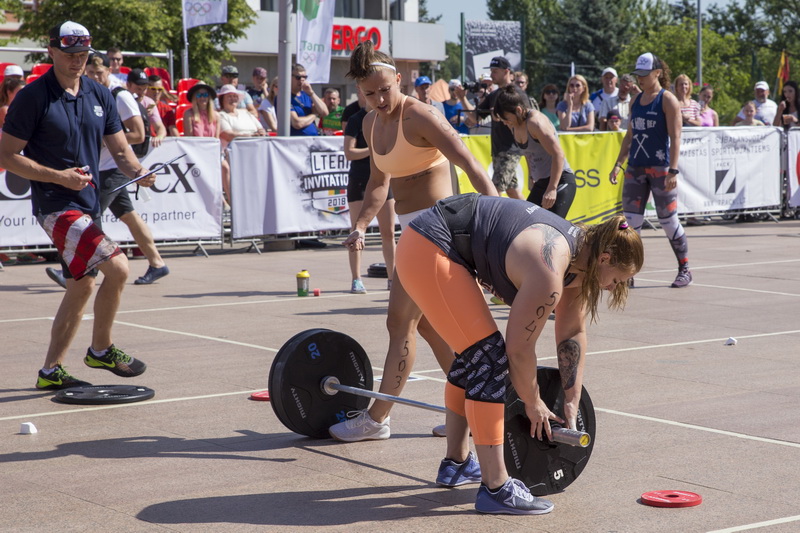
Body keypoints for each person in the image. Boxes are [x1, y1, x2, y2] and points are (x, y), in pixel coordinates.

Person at [396, 194, 643, 514]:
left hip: (433, 243)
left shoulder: (580, 260)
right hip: (431, 245)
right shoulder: (551, 267)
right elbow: (519, 350)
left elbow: (571, 333)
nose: (612, 288)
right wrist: (533, 402)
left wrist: (571, 398)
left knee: (474, 356)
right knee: (489, 358)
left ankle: (457, 464)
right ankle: (496, 488)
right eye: (618, 280)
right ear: (605, 258)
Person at [328, 40, 497, 442]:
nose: (379, 99)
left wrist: (497, 227)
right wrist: (362, 225)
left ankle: (377, 419)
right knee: (432, 330)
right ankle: (469, 410)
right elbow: (378, 183)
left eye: (385, 90)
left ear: (399, 80)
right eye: (369, 93)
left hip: (441, 229)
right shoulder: (370, 125)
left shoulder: (421, 115)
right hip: (414, 232)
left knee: (400, 322)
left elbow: (470, 164)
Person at [0, 21, 152, 389]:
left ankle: (50, 372)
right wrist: (59, 176)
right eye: (70, 54)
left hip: (87, 204)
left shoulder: (100, 94)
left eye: (83, 54)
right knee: (118, 267)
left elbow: (121, 150)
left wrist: (139, 171)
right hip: (56, 206)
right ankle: (101, 350)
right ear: (51, 51)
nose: (77, 60)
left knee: (81, 286)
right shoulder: (32, 97)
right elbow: (6, 155)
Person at [610, 52, 692, 289]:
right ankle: (628, 272)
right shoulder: (635, 101)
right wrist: (618, 164)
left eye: (645, 75)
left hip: (660, 169)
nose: (641, 79)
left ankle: (684, 268)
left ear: (657, 73)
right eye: (638, 75)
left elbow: (676, 137)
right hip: (635, 168)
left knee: (668, 221)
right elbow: (629, 136)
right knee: (630, 224)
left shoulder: (668, 100)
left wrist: (673, 170)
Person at [494, 85, 577, 219]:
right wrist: (531, 177)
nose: (505, 123)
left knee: (550, 227)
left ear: (518, 110)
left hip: (560, 181)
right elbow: (528, 153)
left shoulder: (535, 123)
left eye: (506, 119)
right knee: (526, 221)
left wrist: (552, 188)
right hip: (541, 182)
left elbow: (558, 154)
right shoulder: (513, 125)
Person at [343, 97, 396, 294]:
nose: (376, 98)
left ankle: (392, 278)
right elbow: (349, 152)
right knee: (357, 231)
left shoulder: (385, 118)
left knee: (388, 232)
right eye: (370, 92)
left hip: (383, 179)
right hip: (360, 180)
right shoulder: (356, 119)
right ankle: (356, 279)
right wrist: (372, 150)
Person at [461, 56, 526, 199]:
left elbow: (525, 119)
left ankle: (493, 215)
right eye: (491, 71)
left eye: (495, 71)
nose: (491, 74)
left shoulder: (516, 94)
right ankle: (532, 213)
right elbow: (475, 118)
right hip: (498, 149)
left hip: (510, 150)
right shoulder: (494, 95)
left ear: (506, 71)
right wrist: (462, 98)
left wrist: (501, 117)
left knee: (493, 191)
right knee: (512, 191)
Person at [218, 84, 266, 203]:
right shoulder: (221, 115)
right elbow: (228, 135)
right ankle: (235, 203)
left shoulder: (246, 113)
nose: (233, 99)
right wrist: (250, 136)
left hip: (256, 151)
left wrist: (260, 132)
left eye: (235, 96)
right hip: (234, 154)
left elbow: (260, 128)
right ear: (222, 99)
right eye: (229, 96)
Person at [126, 68, 167, 147]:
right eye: (138, 89)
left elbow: (160, 127)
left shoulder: (149, 103)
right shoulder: (119, 100)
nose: (141, 93)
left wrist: (159, 137)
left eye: (144, 89)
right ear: (128, 85)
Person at [289, 63, 328, 136]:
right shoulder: (284, 98)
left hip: (313, 139)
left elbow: (324, 112)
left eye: (304, 77)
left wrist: (311, 93)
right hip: (296, 140)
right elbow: (297, 123)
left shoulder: (307, 94)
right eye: (298, 77)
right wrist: (314, 114)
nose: (302, 80)